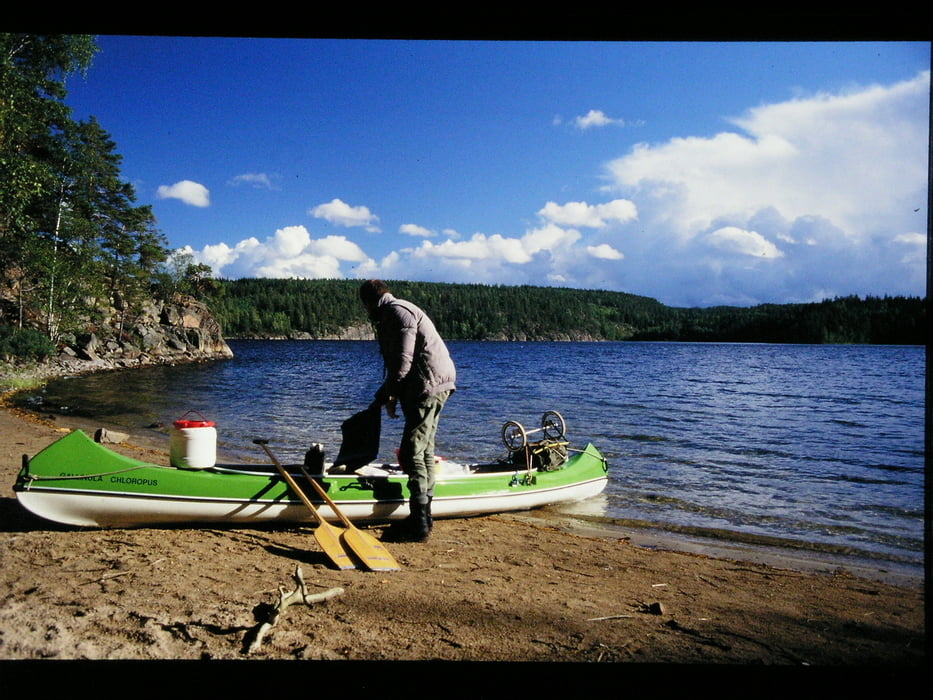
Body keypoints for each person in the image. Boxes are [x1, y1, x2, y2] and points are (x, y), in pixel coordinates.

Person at [360, 279, 456, 542]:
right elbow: (397, 364)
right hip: (430, 383)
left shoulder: (397, 312)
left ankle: (418, 524)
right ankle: (425, 517)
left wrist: (385, 393)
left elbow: (403, 361)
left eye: (366, 307)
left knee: (413, 449)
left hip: (428, 384)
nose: (367, 313)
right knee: (424, 449)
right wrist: (391, 395)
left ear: (371, 302)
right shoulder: (397, 311)